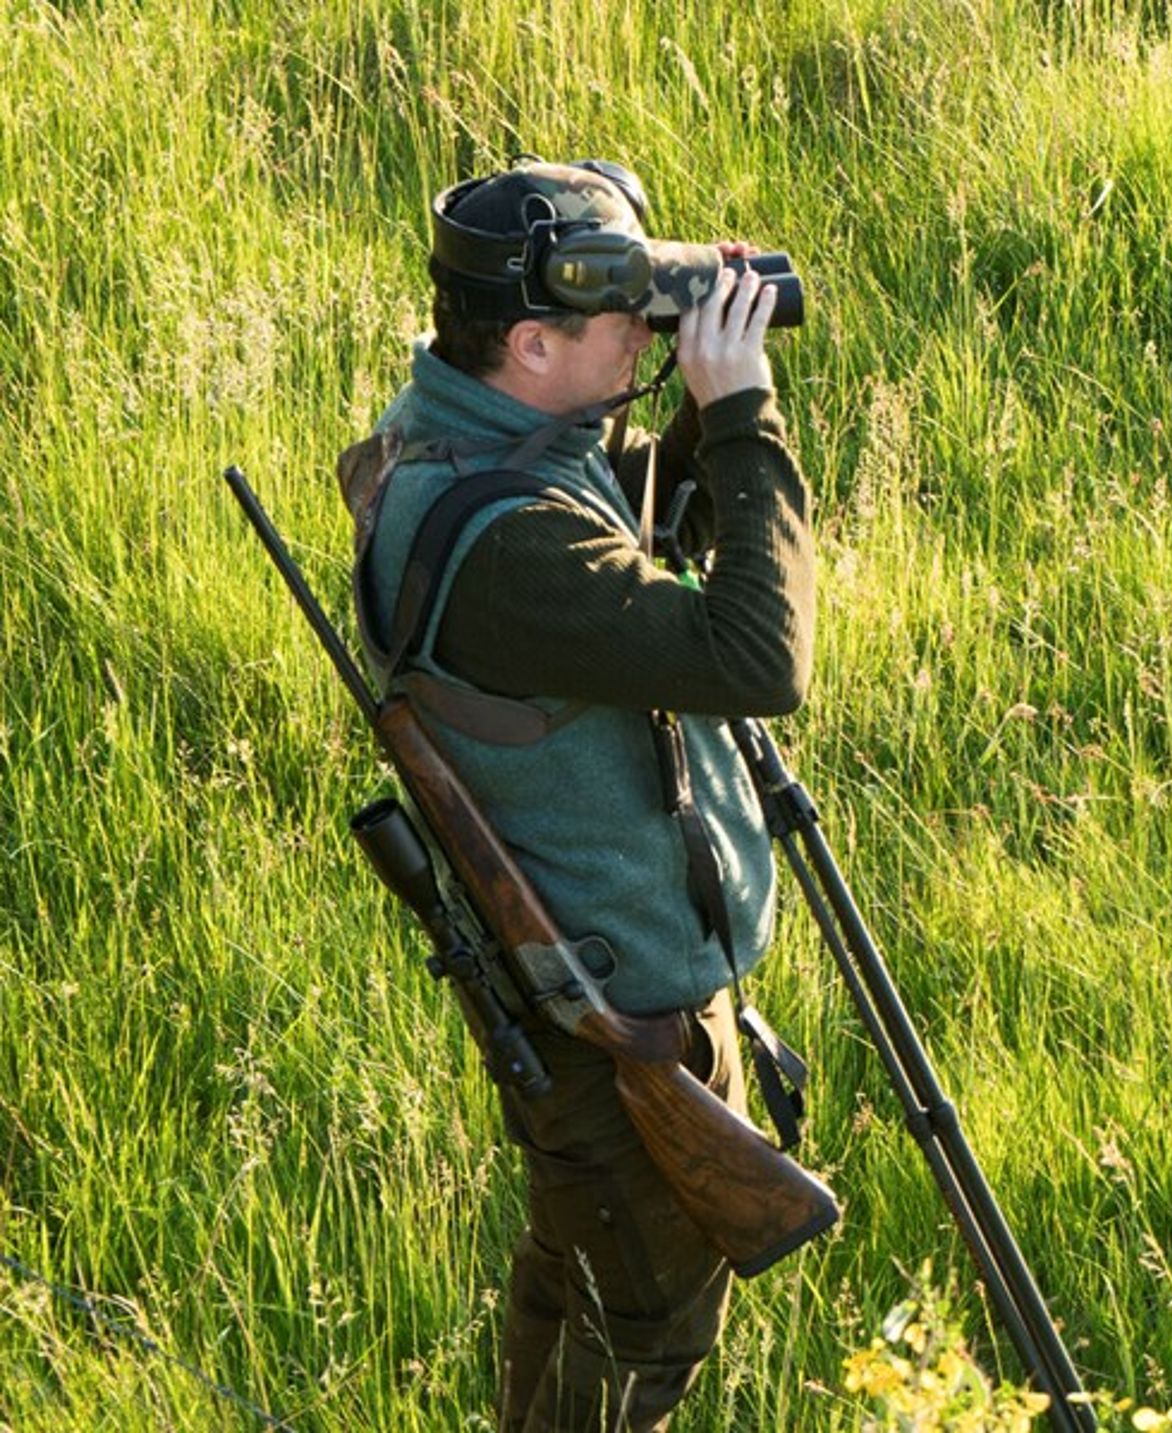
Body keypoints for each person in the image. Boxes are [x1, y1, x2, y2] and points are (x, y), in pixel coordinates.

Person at [337, 158, 813, 1431]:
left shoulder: (489, 432)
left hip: (604, 999)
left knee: (576, 1280)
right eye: (623, 317)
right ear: (532, 342)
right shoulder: (506, 540)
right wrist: (742, 415)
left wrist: (697, 422)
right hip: (610, 1034)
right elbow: (757, 661)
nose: (648, 334)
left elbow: (636, 525)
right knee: (641, 1334)